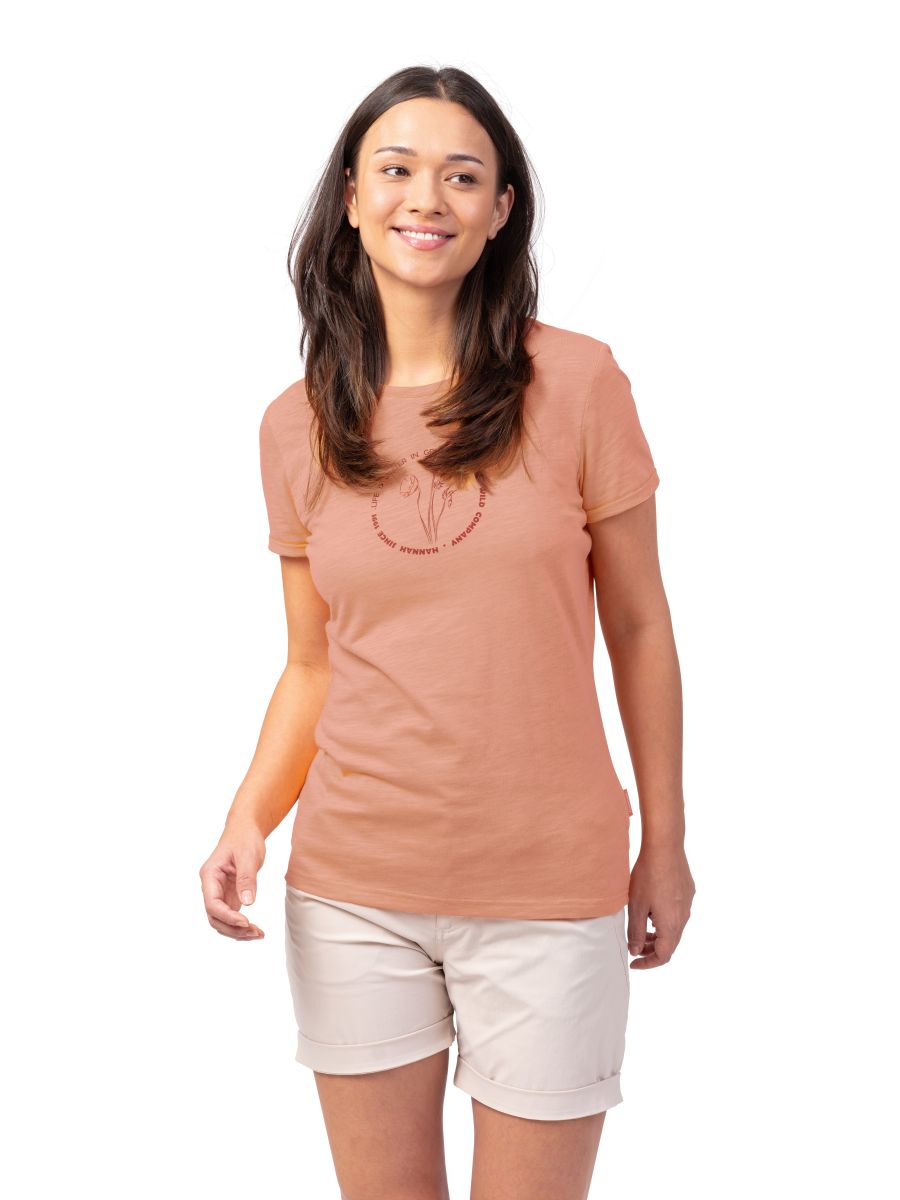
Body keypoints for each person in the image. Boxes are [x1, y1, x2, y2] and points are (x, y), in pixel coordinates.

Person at [199, 64, 695, 1200]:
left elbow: (640, 623)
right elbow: (314, 663)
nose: (428, 198)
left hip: (549, 886)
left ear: (501, 209)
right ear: (352, 198)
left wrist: (664, 839)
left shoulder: (577, 382)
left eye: (463, 176)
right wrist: (247, 818)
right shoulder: (294, 425)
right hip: (353, 891)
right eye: (398, 169)